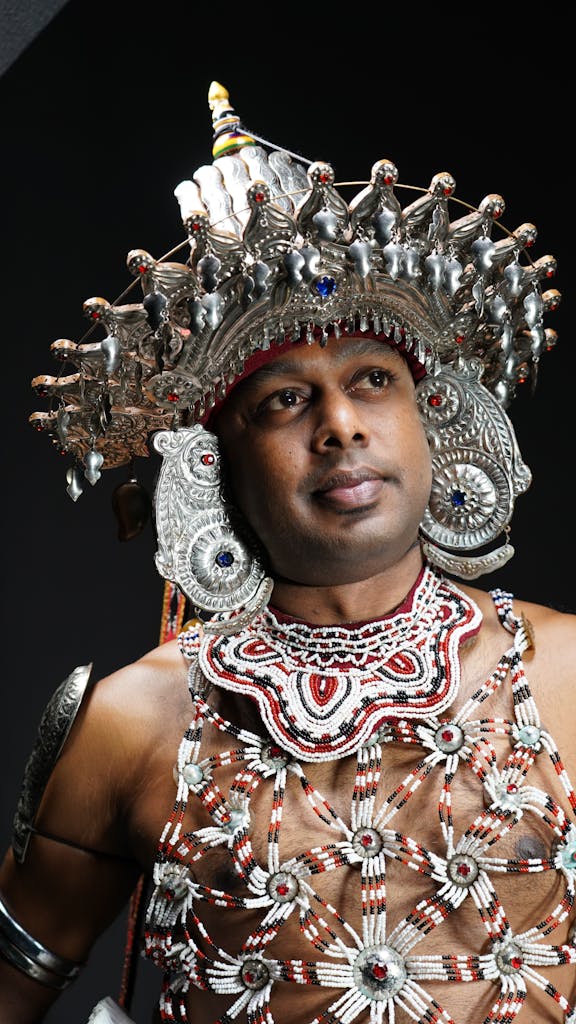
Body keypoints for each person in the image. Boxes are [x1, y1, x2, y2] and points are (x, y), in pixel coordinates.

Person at [0, 79, 575, 1024]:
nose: (342, 426)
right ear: (209, 464)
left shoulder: (568, 678)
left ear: (438, 421)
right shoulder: (132, 723)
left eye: (373, 380)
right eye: (285, 400)